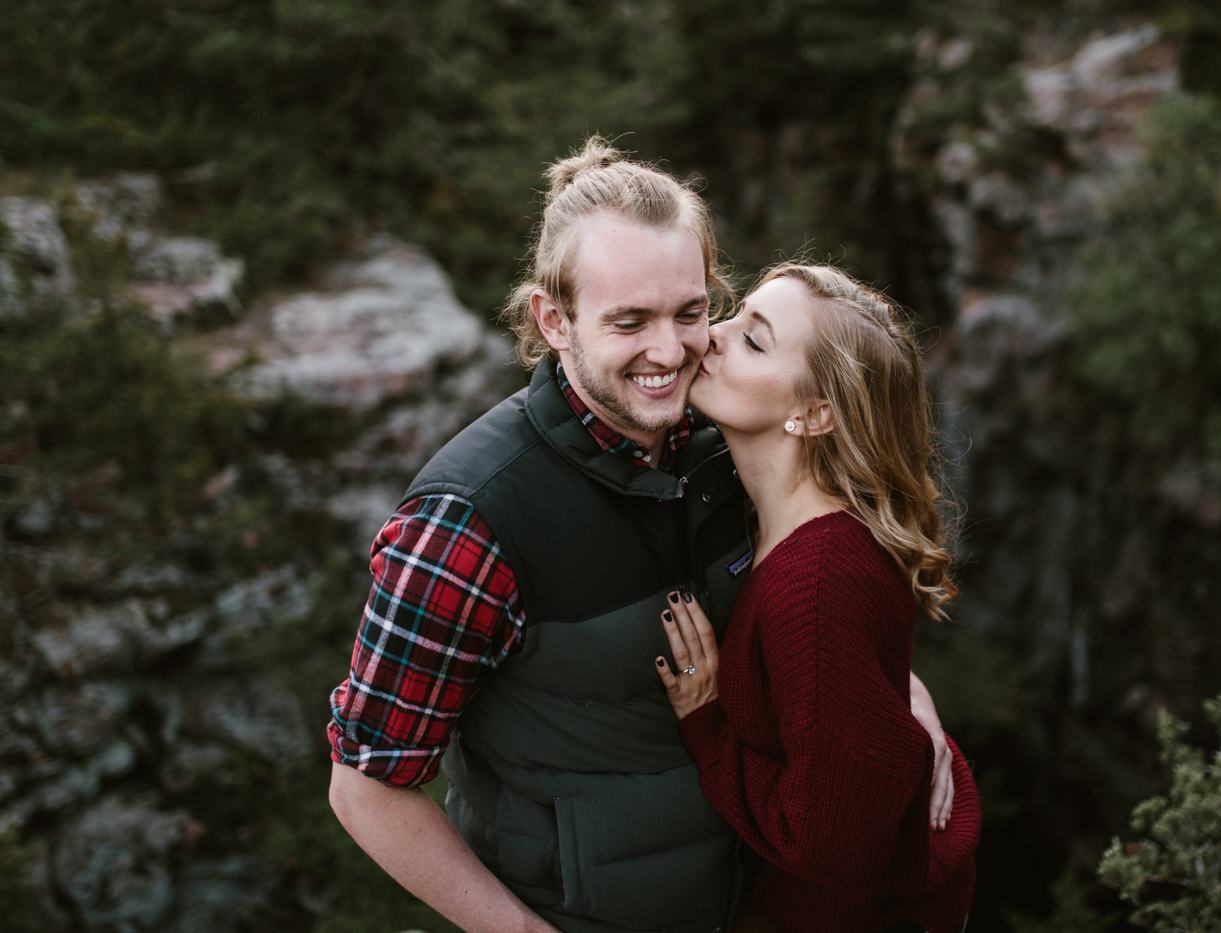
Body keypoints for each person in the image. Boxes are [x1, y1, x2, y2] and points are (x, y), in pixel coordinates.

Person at [325, 139, 954, 933]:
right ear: (553, 319)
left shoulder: (733, 442)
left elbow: (827, 620)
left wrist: (901, 705)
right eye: (629, 322)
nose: (670, 352)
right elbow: (367, 783)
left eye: (691, 313)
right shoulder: (467, 522)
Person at [655, 263, 980, 933]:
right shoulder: (792, 531)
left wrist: (707, 723)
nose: (710, 334)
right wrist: (906, 691)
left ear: (813, 413)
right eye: (735, 315)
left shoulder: (819, 580)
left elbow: (833, 843)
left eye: (754, 340)